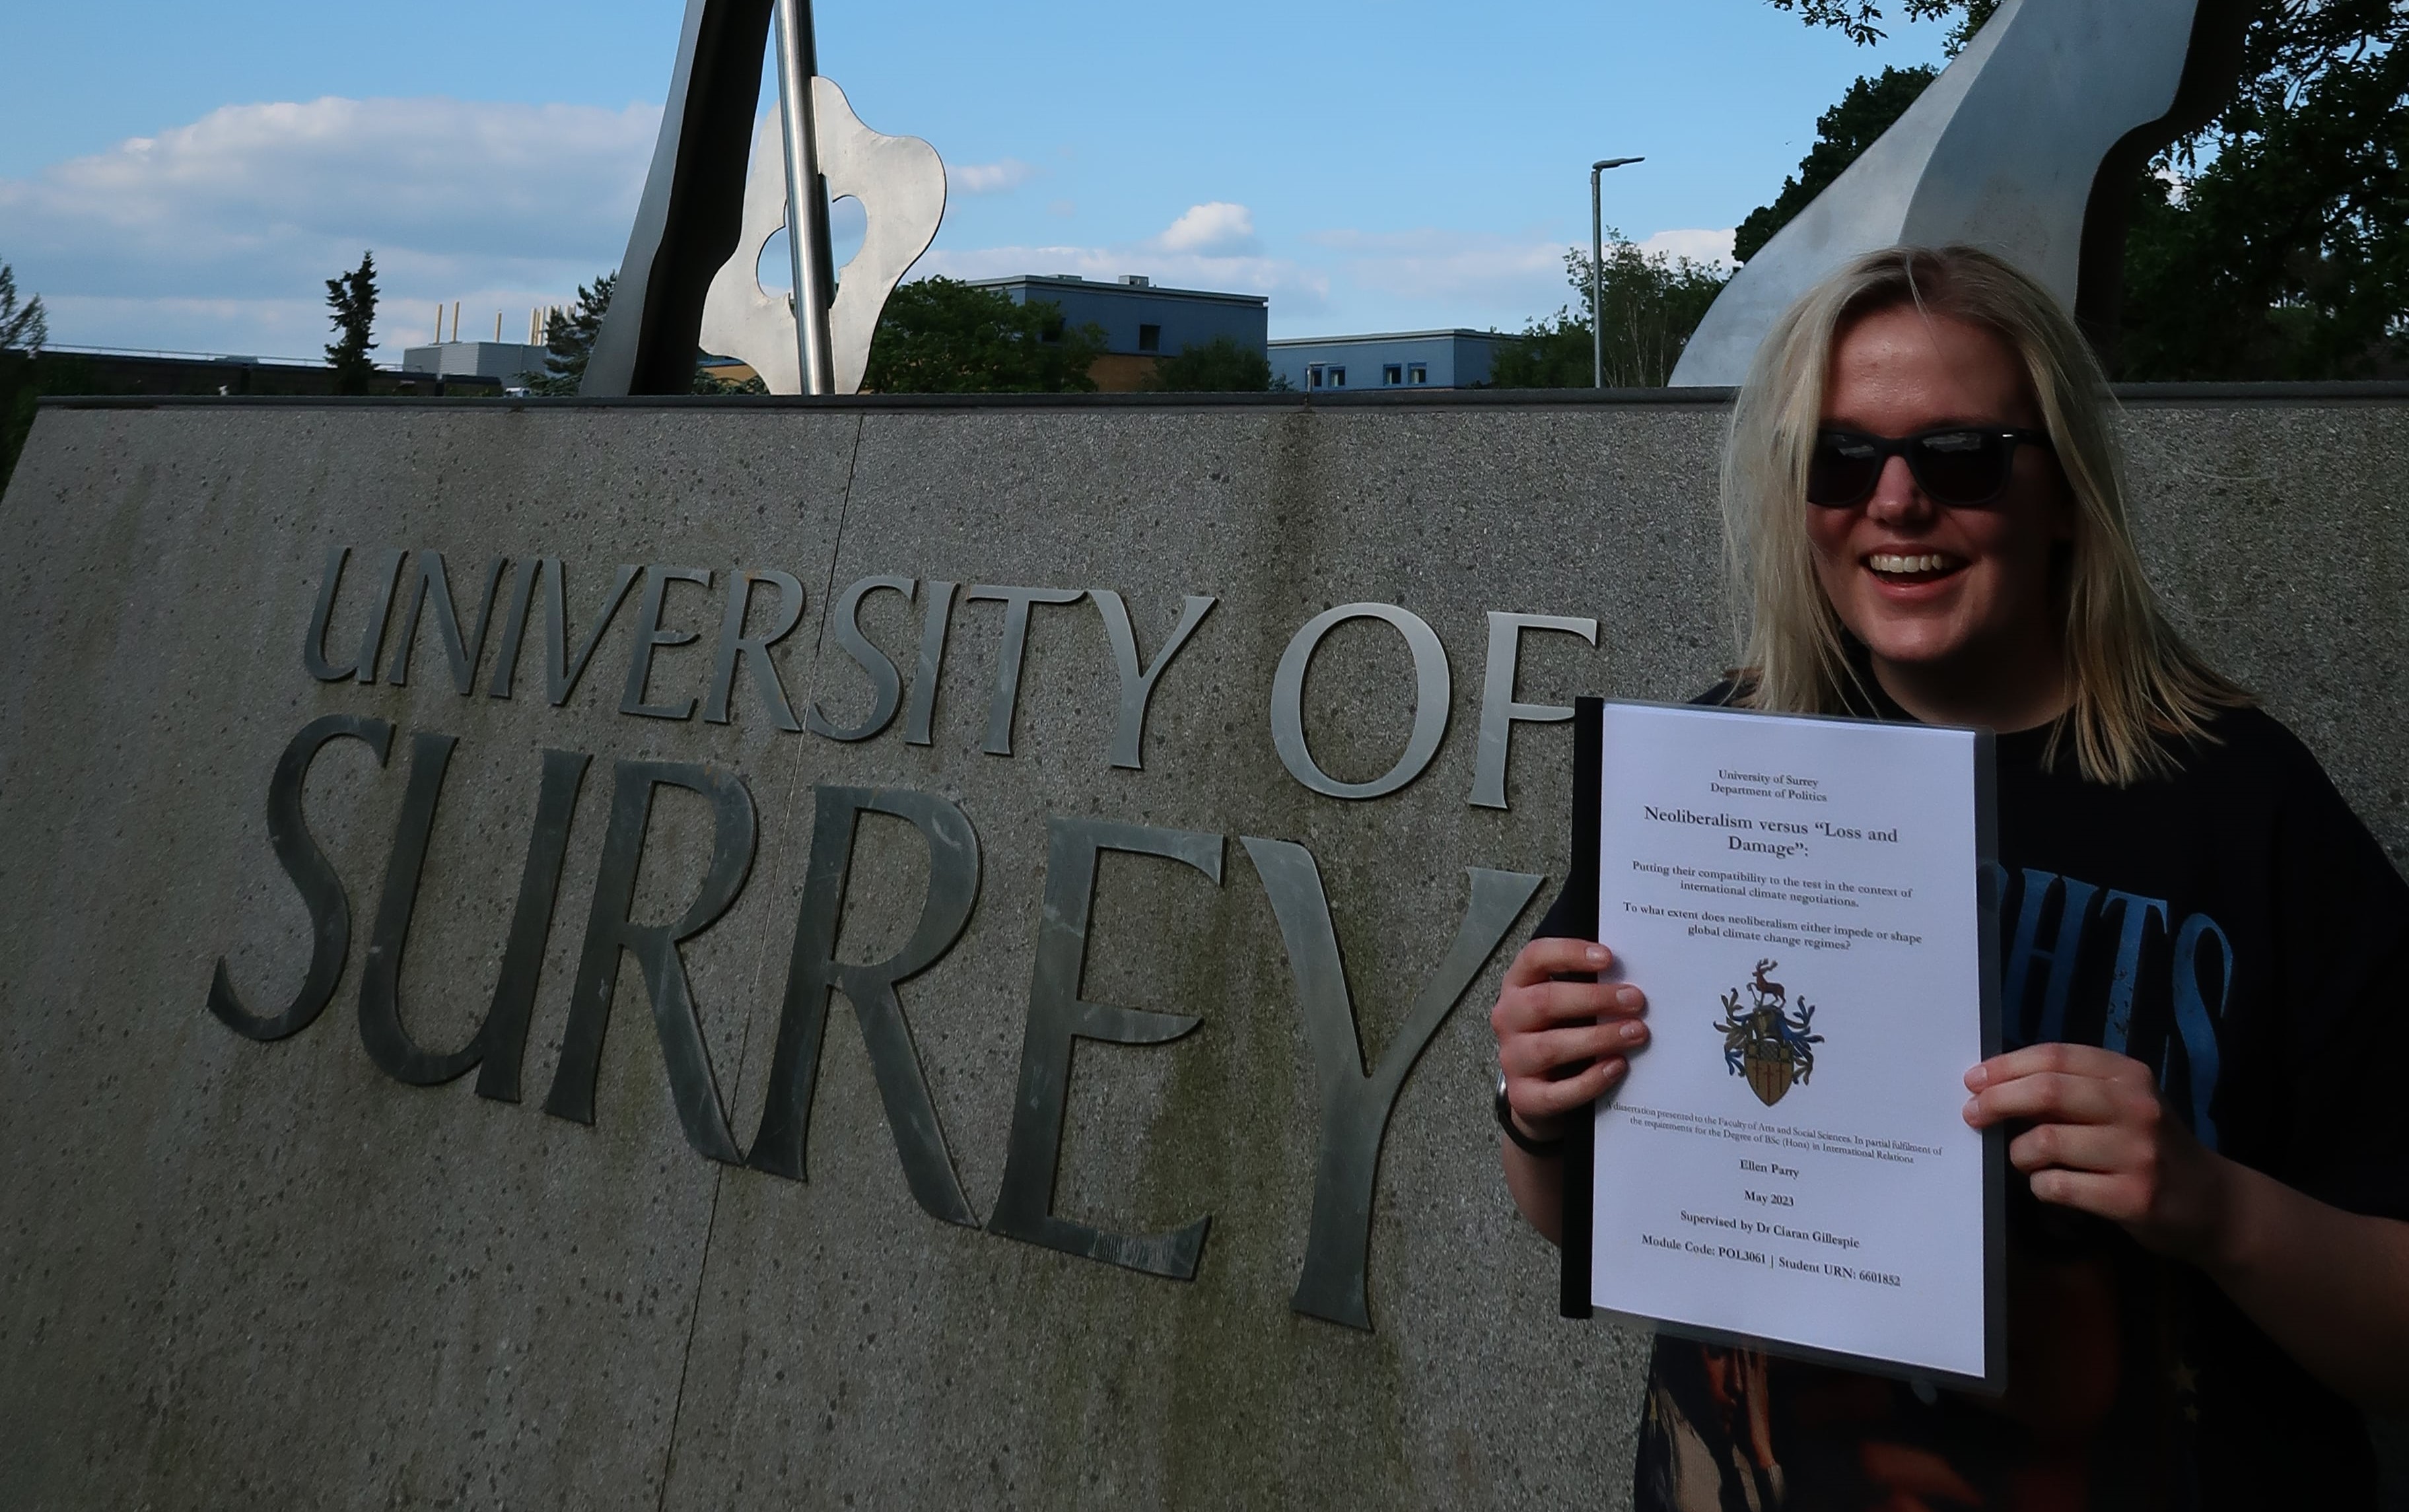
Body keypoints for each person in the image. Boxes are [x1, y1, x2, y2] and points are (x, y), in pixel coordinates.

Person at [1491, 244, 2409, 1510]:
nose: (1898, 501)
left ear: (2065, 491)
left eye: (1962, 455)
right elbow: (1573, 1210)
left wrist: (2215, 1207)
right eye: (1841, 457)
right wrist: (1539, 1104)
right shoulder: (1716, 778)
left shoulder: (2245, 802)